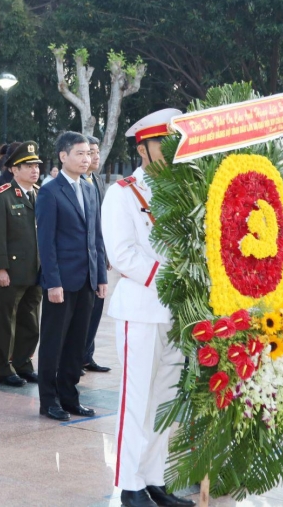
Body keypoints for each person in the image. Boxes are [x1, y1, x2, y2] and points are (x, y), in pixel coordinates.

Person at [103, 109, 194, 507]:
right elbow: (121, 254)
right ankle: (129, 484)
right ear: (143, 149)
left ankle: (154, 478)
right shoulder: (123, 192)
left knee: (165, 400)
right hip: (140, 309)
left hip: (177, 313)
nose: (171, 151)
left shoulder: (185, 191)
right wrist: (172, 277)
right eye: (163, 144)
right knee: (136, 400)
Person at [35, 131, 107, 422]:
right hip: (61, 282)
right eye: (80, 153)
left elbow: (96, 236)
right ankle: (49, 400)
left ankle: (69, 396)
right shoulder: (50, 192)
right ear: (63, 156)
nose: (86, 159)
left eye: (88, 154)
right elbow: (46, 242)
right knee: (54, 342)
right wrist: (52, 282)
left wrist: (100, 277)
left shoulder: (89, 189)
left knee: (77, 343)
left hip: (87, 280)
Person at [0, 141, 43, 387]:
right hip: (12, 270)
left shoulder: (40, 193)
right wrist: (1, 268)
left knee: (30, 321)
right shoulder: (3, 195)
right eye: (28, 166)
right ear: (14, 169)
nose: (34, 170)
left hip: (36, 269)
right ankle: (4, 368)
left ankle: (23, 363)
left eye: (36, 166)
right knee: (7, 320)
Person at [82, 135, 112, 374]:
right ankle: (74, 357)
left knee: (96, 308)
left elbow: (104, 222)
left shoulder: (98, 180)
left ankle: (86, 355)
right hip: (82, 259)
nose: (94, 156)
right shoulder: (76, 183)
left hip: (99, 255)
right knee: (82, 310)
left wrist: (107, 253)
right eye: (89, 152)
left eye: (96, 152)